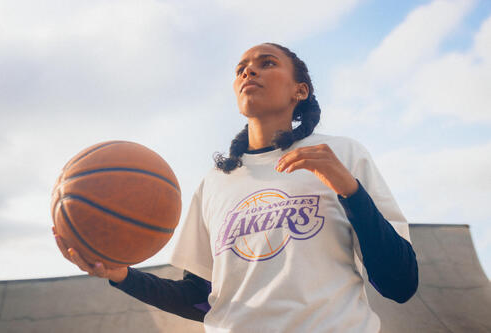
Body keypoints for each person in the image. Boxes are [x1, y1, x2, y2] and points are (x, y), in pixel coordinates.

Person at [53, 42, 418, 332]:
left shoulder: (342, 154)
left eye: (267, 62)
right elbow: (204, 301)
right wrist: (123, 277)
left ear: (300, 90)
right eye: (241, 68)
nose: (249, 70)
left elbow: (399, 284)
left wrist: (350, 191)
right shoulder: (216, 183)